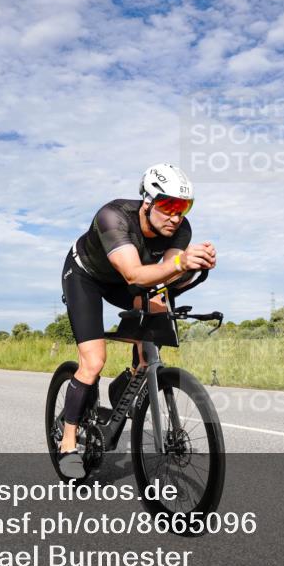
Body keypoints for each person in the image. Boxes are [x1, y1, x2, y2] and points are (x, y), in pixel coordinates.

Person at [58, 163, 216, 478]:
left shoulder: (181, 229)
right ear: (148, 201)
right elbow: (134, 272)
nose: (176, 216)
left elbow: (166, 279)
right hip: (86, 277)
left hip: (128, 281)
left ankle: (128, 382)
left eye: (184, 207)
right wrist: (180, 262)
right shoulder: (113, 217)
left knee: (155, 328)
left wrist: (193, 269)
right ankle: (68, 440)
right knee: (93, 361)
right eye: (169, 205)